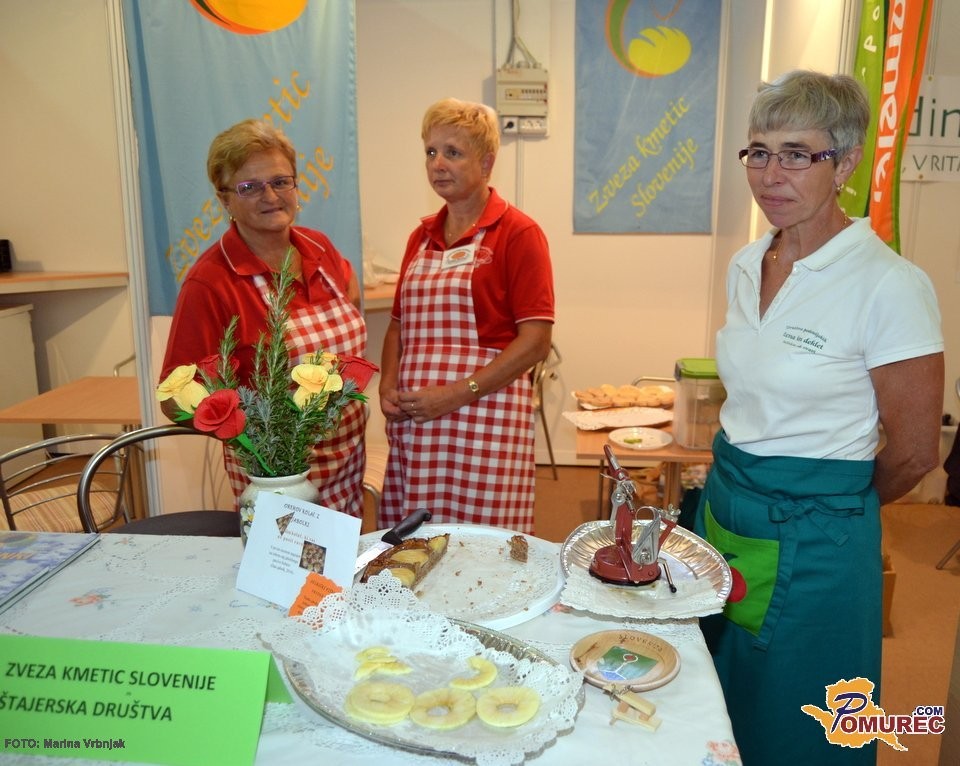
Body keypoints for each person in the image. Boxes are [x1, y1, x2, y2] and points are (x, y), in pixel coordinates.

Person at [694, 71, 944, 765]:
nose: (771, 175)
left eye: (798, 154)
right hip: (728, 517)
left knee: (802, 724)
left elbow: (916, 452)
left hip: (819, 543)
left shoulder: (889, 285)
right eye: (759, 151)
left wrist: (836, 507)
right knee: (717, 698)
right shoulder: (748, 263)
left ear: (847, 163)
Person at [161, 119, 368, 518]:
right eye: (249, 187)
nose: (270, 196)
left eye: (280, 182)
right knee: (288, 559)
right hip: (275, 481)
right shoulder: (210, 281)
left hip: (346, 467)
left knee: (342, 558)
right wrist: (250, 436)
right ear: (225, 200)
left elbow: (350, 295)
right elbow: (174, 397)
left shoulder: (318, 247)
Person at [378, 98, 555, 534]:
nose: (438, 164)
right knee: (418, 536)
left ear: (486, 162)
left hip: (486, 415)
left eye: (453, 152)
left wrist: (458, 392)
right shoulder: (420, 237)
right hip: (420, 419)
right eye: (431, 152)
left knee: (484, 538)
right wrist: (387, 383)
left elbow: (536, 341)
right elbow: (398, 324)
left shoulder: (519, 233)